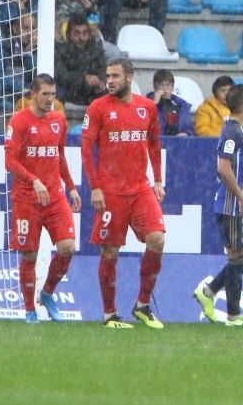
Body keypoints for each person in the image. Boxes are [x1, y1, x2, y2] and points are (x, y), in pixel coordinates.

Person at [81, 57, 166, 329]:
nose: (110, 80)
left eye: (116, 75)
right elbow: (86, 150)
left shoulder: (147, 107)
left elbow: (154, 144)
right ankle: (109, 314)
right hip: (111, 192)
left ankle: (142, 305)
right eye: (108, 75)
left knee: (157, 239)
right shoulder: (98, 108)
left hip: (140, 189)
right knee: (110, 252)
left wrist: (158, 180)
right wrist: (95, 187)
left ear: (130, 77)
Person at [4, 74, 81, 324]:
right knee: (29, 255)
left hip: (55, 197)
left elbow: (59, 156)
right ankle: (29, 309)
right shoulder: (19, 121)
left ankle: (47, 293)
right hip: (26, 199)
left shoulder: (58, 120)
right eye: (45, 94)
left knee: (67, 246)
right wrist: (33, 180)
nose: (50, 99)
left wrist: (70, 187)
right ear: (33, 94)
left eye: (53, 94)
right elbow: (9, 161)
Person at [193, 85, 243, 327]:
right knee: (236, 259)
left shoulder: (241, 131)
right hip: (232, 207)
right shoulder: (231, 132)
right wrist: (241, 197)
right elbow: (223, 168)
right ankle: (234, 316)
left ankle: (209, 291)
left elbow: (240, 168)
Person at [54, 15, 107, 106]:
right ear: (69, 34)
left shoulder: (96, 48)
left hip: (93, 91)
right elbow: (60, 75)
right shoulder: (60, 50)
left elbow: (103, 68)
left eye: (84, 33)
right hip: (69, 91)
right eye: (77, 33)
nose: (81, 37)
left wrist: (101, 81)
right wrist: (83, 78)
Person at [145, 69, 194, 137]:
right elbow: (145, 127)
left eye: (168, 85)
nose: (165, 88)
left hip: (178, 143)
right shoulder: (146, 104)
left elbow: (189, 129)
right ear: (155, 87)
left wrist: (186, 134)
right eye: (161, 85)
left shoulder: (181, 105)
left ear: (172, 87)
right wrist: (154, 104)